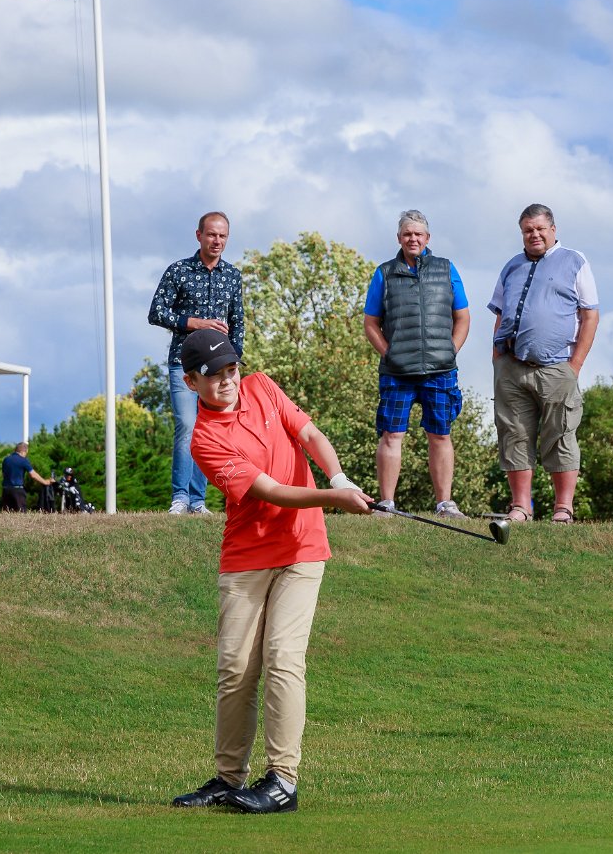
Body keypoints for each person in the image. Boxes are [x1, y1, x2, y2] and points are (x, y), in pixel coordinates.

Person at [168, 329, 372, 815]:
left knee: (283, 658)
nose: (227, 380)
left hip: (302, 547)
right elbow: (272, 492)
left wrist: (338, 477)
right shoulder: (205, 439)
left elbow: (309, 435)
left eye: (231, 369)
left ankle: (283, 779)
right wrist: (335, 500)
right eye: (213, 376)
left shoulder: (262, 386)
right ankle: (227, 777)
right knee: (236, 668)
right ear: (192, 382)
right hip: (247, 554)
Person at [487, 203, 599, 524]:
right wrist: (497, 360)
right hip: (512, 366)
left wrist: (574, 366)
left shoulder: (574, 262)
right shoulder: (511, 266)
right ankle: (521, 507)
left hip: (557, 367)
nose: (534, 234)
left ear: (553, 229)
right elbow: (499, 313)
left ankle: (563, 508)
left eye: (539, 229)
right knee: (514, 434)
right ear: (521, 233)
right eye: (527, 230)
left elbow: (590, 314)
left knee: (561, 433)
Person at [361, 210, 472, 519]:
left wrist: (451, 350)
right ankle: (386, 504)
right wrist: (388, 353)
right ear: (399, 238)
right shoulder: (384, 272)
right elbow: (370, 323)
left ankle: (445, 504)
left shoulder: (447, 269)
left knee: (440, 435)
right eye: (407, 234)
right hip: (397, 372)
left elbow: (462, 317)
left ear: (427, 238)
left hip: (440, 371)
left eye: (418, 234)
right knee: (391, 435)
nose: (413, 238)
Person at [147, 211, 245, 516]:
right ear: (199, 235)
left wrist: (235, 361)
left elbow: (237, 321)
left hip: (219, 369)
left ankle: (198, 500)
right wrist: (194, 323)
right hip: (183, 364)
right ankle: (180, 497)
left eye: (223, 236)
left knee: (208, 430)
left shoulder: (233, 276)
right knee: (187, 425)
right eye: (212, 234)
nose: (217, 241)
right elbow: (156, 312)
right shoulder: (178, 271)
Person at [0, 442, 51, 511]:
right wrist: (45, 482)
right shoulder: (23, 460)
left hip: (6, 490)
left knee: (8, 513)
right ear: (24, 451)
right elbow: (33, 475)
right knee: (20, 513)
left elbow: (3, 474)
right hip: (17, 491)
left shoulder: (6, 460)